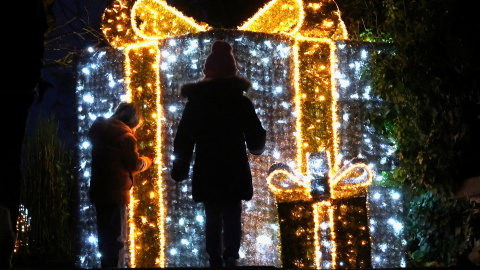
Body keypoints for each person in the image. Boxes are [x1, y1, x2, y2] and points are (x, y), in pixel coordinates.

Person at [171, 40, 266, 267]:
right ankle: (231, 255)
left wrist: (180, 168)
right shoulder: (240, 102)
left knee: (212, 214)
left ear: (208, 72)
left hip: (208, 166)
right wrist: (256, 146)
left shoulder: (196, 103)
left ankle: (214, 258)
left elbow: (184, 138)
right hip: (234, 166)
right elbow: (255, 134)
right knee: (233, 211)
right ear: (232, 72)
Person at [88, 102, 152, 268]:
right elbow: (134, 164)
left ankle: (106, 266)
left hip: (99, 191)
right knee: (118, 238)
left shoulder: (101, 131)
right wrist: (148, 161)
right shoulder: (126, 136)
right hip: (117, 193)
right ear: (133, 120)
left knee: (104, 236)